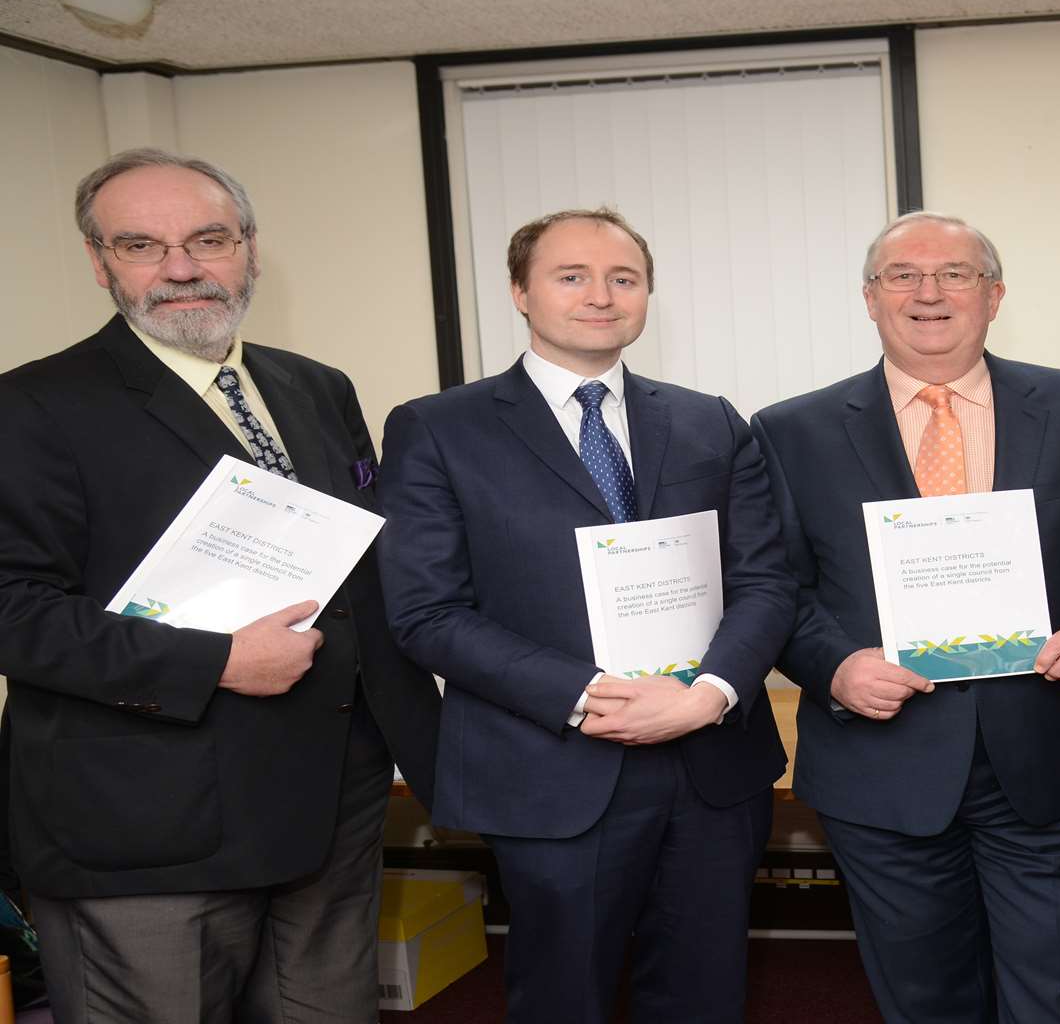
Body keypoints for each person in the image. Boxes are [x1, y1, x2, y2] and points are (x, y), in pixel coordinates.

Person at [0, 147, 442, 1022]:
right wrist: (213, 662)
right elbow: (14, 610)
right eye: (140, 245)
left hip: (329, 804)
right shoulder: (32, 408)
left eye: (207, 238)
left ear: (248, 247)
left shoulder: (315, 387)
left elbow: (361, 566)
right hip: (143, 824)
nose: (181, 268)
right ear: (98, 261)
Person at [749, 212, 1060, 1022]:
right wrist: (833, 665)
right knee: (926, 1001)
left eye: (956, 273)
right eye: (902, 275)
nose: (929, 292)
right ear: (870, 298)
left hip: (1050, 755)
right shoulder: (789, 431)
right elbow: (774, 586)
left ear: (995, 295)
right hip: (882, 764)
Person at [377, 208, 794, 1023]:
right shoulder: (437, 428)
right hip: (549, 763)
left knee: (705, 993)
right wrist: (588, 694)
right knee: (563, 996)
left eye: (623, 279)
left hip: (709, 763)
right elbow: (427, 612)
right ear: (520, 293)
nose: (601, 296)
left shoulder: (709, 419)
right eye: (572, 276)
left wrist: (708, 693)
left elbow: (766, 580)